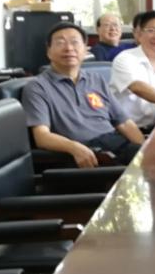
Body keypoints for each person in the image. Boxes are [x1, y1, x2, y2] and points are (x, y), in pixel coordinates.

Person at [22, 22, 144, 167]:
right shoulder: (37, 87)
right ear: (48, 51)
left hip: (116, 143)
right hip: (90, 152)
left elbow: (123, 122)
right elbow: (42, 137)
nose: (69, 48)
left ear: (85, 50)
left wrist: (145, 148)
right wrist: (73, 147)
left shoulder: (96, 79)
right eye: (60, 43)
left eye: (75, 42)